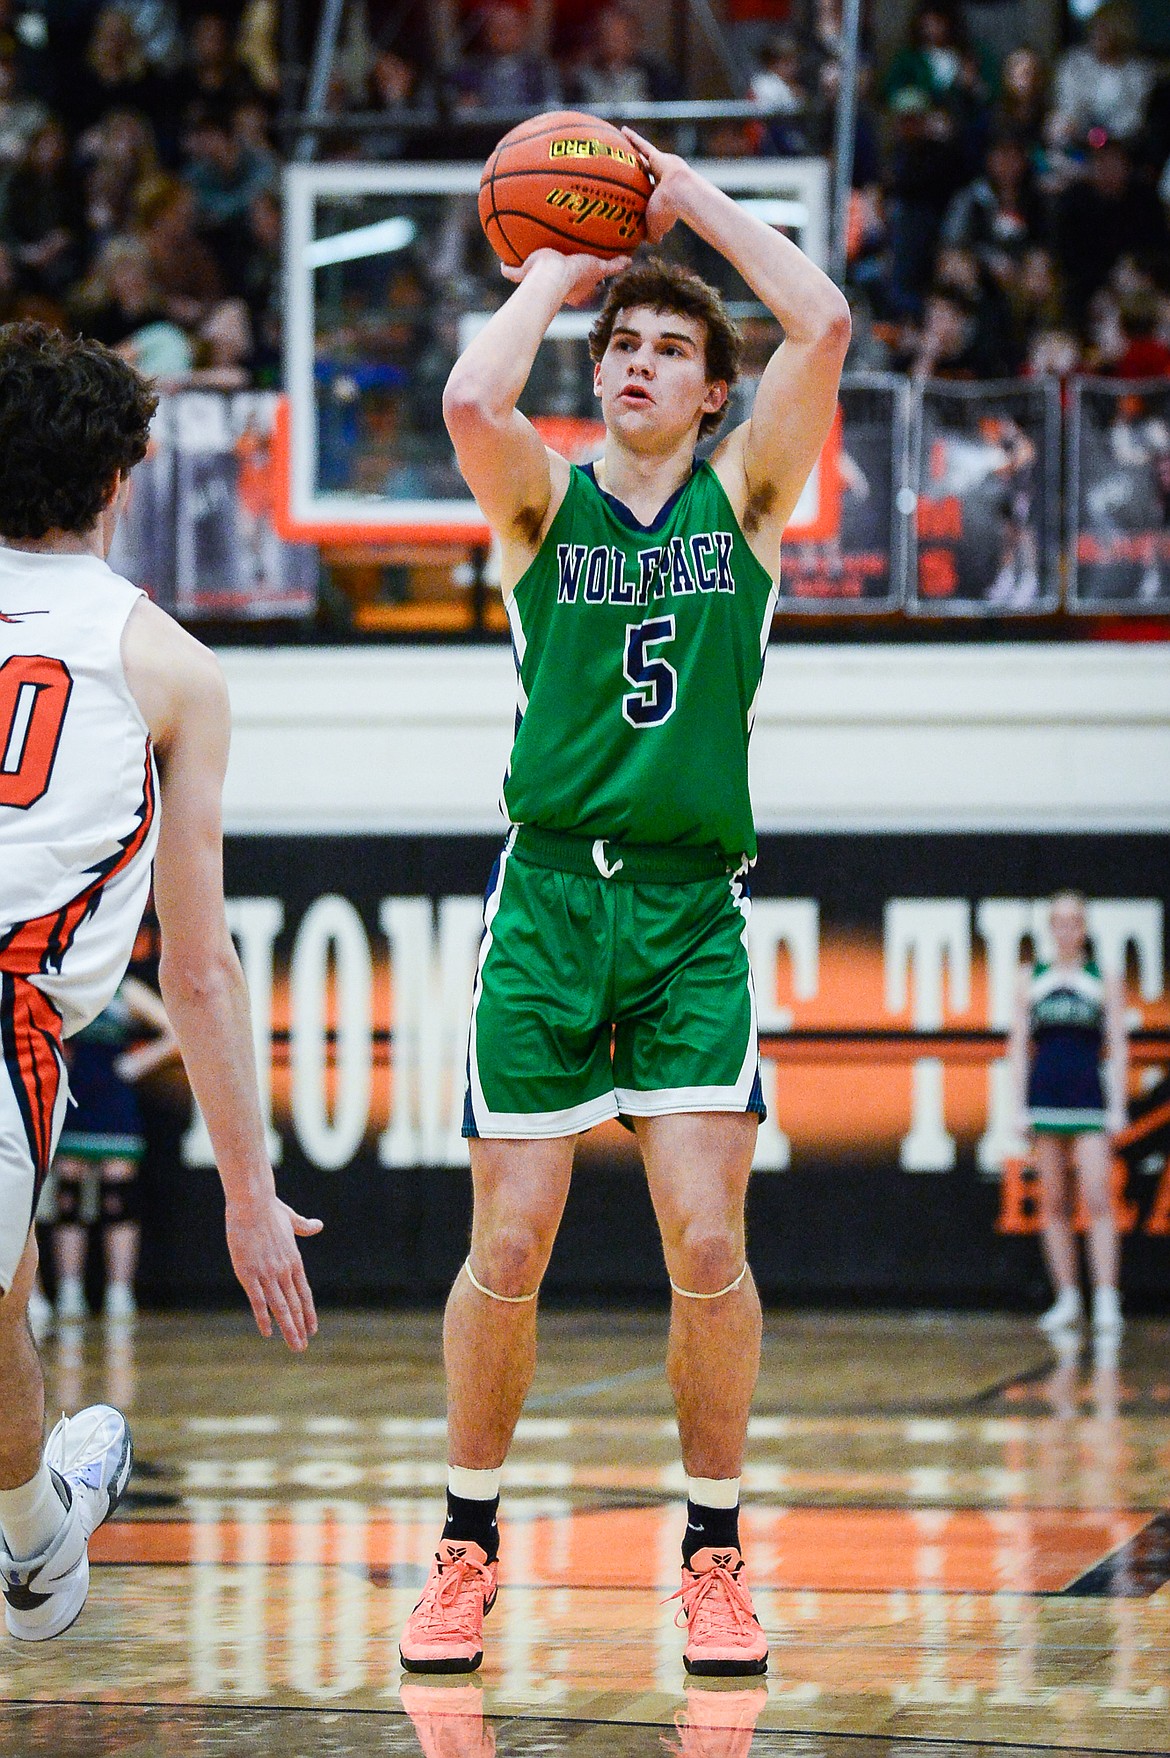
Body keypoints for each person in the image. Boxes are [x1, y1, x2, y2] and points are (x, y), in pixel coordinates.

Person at [399, 129, 850, 1677]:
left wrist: (681, 205)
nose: (643, 363)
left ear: (713, 389)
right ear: (596, 377)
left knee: (706, 1231)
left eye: (672, 349)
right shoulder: (539, 505)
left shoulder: (749, 500)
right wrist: (552, 273)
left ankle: (713, 1553)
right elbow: (469, 398)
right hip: (545, 906)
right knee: (510, 1237)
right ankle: (465, 1543)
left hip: (684, 914)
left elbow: (827, 323)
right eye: (624, 347)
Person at [0, 321, 320, 1642]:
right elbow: (195, 968)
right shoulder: (171, 667)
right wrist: (249, 1192)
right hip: (14, 1020)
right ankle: (35, 1547)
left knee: (6, 1296)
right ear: (124, 477)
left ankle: (35, 1547)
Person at [1007, 892, 1129, 1340]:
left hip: (1089, 1099)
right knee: (1054, 1203)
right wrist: (1018, 1107)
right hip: (1045, 1097)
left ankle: (1106, 1297)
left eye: (1074, 920)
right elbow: (1020, 1047)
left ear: (1084, 926)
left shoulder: (1103, 977)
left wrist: (1117, 1107)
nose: (1067, 928)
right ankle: (1067, 1297)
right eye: (1059, 921)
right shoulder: (1032, 977)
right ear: (1050, 927)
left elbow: (1116, 1045)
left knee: (1098, 1199)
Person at [51, 974, 177, 1323]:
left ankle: (120, 1292)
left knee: (117, 1198)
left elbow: (176, 1032)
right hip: (72, 1101)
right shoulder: (63, 982)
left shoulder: (126, 989)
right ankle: (69, 1290)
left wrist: (138, 1063)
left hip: (114, 1105)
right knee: (69, 1199)